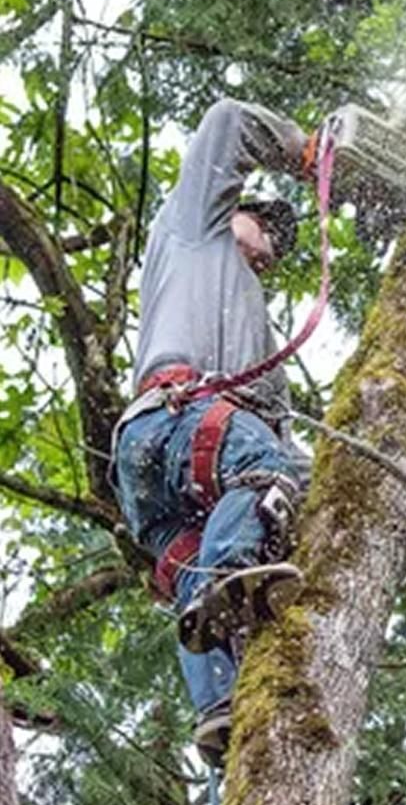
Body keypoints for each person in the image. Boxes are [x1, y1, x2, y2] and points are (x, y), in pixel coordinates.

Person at [111, 98, 318, 767]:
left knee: (213, 568)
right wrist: (304, 151)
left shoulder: (252, 322)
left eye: (274, 257)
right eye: (264, 232)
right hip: (175, 421)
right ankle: (229, 573)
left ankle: (218, 706)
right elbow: (228, 121)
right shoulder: (192, 227)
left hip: (163, 481)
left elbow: (283, 442)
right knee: (262, 477)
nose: (269, 253)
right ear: (235, 211)